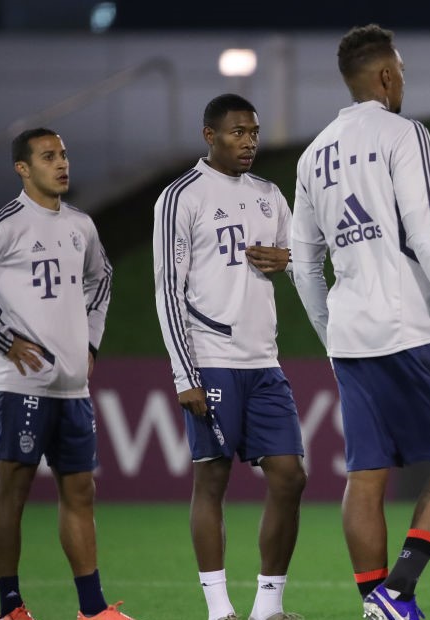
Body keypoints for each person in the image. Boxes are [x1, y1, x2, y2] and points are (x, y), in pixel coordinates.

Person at [291, 24, 430, 620]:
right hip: (414, 327)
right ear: (385, 75)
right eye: (401, 71)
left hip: (352, 335)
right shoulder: (404, 133)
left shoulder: (311, 156)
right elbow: (427, 234)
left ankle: (376, 606)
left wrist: (330, 335)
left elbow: (303, 265)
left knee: (366, 474)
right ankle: (397, 591)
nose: (403, 81)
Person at [0, 128, 136, 620]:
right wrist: (0, 338)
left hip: (73, 387)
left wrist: (91, 341)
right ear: (22, 169)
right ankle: (11, 607)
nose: (61, 163)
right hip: (23, 383)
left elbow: (102, 278)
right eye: (48, 156)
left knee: (80, 493)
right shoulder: (6, 224)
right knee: (14, 491)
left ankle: (93, 609)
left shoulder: (80, 225)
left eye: (63, 154)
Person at [153, 93, 307, 620]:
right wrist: (185, 373)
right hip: (211, 358)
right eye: (238, 132)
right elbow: (168, 291)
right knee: (212, 480)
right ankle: (220, 610)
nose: (249, 142)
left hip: (264, 362)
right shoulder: (181, 197)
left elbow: (305, 258)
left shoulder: (268, 194)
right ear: (209, 135)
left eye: (254, 132)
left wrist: (289, 258)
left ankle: (268, 607)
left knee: (290, 477)